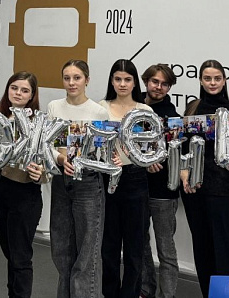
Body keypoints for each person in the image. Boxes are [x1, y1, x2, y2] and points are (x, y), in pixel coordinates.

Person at [181, 59, 229, 297]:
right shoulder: (192, 109)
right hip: (194, 191)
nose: (212, 83)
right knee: (202, 250)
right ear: (201, 81)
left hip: (222, 191)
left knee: (225, 251)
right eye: (207, 78)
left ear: (224, 81)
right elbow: (182, 147)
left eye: (217, 78)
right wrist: (183, 172)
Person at [47, 60, 110, 298]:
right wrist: (61, 159)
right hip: (61, 181)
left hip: (88, 184)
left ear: (87, 80)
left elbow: (102, 150)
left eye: (77, 78)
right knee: (61, 250)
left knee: (87, 252)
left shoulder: (98, 111)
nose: (71, 83)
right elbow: (47, 144)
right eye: (67, 78)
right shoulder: (54, 107)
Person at [98, 59, 153, 298]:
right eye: (118, 79)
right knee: (108, 245)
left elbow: (152, 148)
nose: (122, 84)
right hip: (106, 178)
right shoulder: (100, 108)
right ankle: (110, 293)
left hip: (135, 180)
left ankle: (130, 294)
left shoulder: (145, 111)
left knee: (135, 246)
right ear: (111, 81)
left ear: (134, 83)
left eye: (127, 79)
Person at [0, 71, 47, 298]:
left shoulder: (39, 124)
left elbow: (47, 165)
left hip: (26, 196)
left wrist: (41, 174)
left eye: (25, 90)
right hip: (0, 193)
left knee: (21, 258)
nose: (18, 93)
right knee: (9, 254)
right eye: (14, 88)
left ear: (32, 95)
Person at [140, 64, 180, 298]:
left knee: (166, 249)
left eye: (164, 84)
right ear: (146, 81)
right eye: (155, 81)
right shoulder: (133, 107)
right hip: (136, 188)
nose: (159, 87)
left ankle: (168, 295)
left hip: (164, 192)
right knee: (140, 244)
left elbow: (179, 153)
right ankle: (146, 289)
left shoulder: (173, 117)